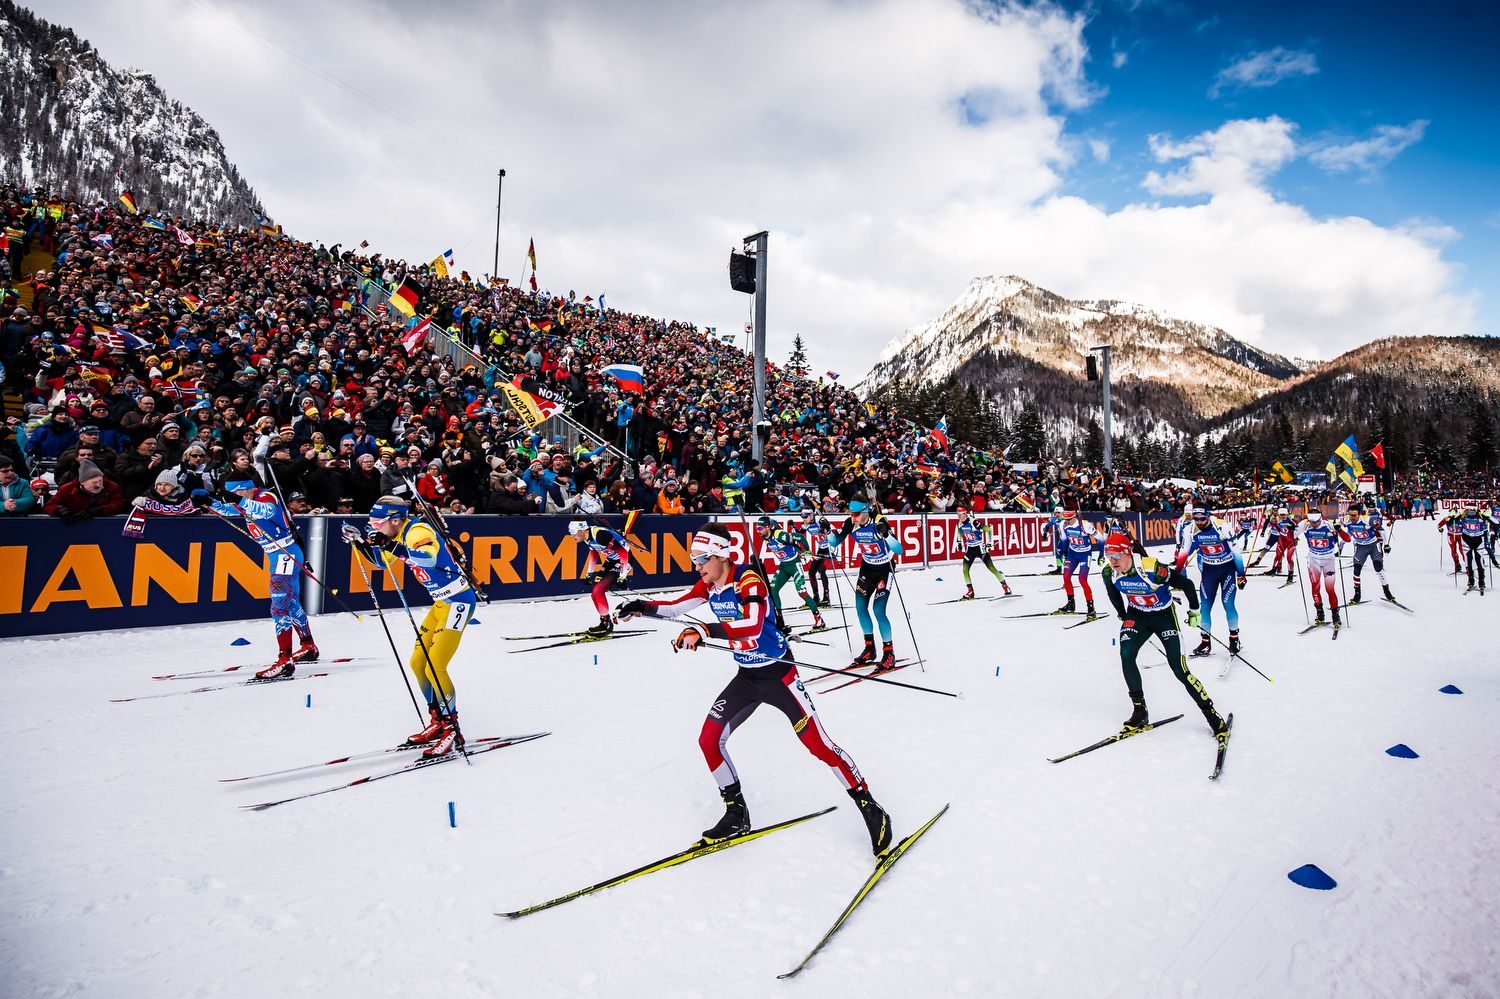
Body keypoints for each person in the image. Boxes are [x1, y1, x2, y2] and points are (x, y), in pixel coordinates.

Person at [614, 524, 893, 856]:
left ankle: (870, 807)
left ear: (721, 555)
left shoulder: (748, 580)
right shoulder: (708, 584)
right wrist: (640, 606)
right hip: (746, 678)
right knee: (708, 740)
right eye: (694, 559)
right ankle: (736, 814)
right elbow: (675, 608)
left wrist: (703, 630)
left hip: (779, 677)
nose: (698, 566)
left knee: (819, 745)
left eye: (702, 558)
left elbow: (752, 625)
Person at [344, 496, 477, 757]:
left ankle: (452, 728)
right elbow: (382, 563)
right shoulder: (398, 534)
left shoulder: (416, 531)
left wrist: (390, 546)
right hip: (441, 604)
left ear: (395, 520)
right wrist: (359, 542)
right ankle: (438, 720)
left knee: (435, 667)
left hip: (458, 602)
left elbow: (426, 559)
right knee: (417, 663)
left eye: (378, 523)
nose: (376, 527)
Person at [1099, 532, 1229, 746]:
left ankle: (1213, 716)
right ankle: (1140, 711)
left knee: (1178, 669)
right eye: (1108, 556)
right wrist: (1123, 615)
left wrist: (1195, 611)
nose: (1112, 562)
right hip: (1137, 615)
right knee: (1126, 654)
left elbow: (1185, 584)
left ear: (1127, 553)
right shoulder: (1109, 572)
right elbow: (1113, 593)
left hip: (1163, 616)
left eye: (1116, 556)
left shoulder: (1151, 568)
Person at [191, 478, 317, 674]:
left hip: (285, 555)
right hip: (278, 556)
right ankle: (308, 646)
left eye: (237, 494)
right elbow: (228, 510)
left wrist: (237, 500)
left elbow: (265, 511)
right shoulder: (245, 501)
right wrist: (209, 502)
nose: (235, 499)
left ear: (245, 490)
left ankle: (285, 660)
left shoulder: (266, 496)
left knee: (279, 606)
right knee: (290, 602)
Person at [828, 499, 903, 669]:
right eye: (851, 514)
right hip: (867, 569)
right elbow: (833, 542)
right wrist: (827, 532)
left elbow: (898, 549)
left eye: (855, 514)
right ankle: (870, 648)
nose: (852, 517)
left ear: (865, 512)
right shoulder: (850, 523)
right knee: (860, 607)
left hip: (885, 569)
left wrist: (886, 535)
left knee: (878, 610)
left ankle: (889, 653)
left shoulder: (879, 521)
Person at [1178, 506, 1246, 656]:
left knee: (1228, 604)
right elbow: (1184, 551)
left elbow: (1236, 550)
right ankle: (1205, 642)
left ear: (1208, 516)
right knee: (1205, 606)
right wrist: (1177, 572)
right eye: (1196, 519)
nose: (1199, 522)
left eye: (1202, 519)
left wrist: (1241, 574)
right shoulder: (1190, 529)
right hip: (1209, 570)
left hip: (1227, 568)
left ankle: (1234, 639)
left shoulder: (1222, 526)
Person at [754, 515, 827, 631]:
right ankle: (780, 621)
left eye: (760, 528)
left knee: (802, 593)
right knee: (772, 591)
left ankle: (819, 619)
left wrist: (807, 551)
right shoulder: (765, 537)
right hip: (783, 566)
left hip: (794, 565)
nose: (758, 531)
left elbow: (800, 537)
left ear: (767, 527)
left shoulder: (780, 536)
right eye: (756, 528)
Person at [567, 518, 634, 635]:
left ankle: (605, 624)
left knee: (598, 590)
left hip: (624, 561)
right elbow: (593, 552)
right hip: (612, 560)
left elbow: (623, 552)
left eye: (573, 532)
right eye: (570, 533)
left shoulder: (601, 536)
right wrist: (588, 574)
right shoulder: (585, 538)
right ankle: (605, 621)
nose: (571, 536)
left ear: (582, 530)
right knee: (594, 592)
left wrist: (622, 577)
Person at [1296, 509, 1350, 627]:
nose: (1313, 525)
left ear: (1320, 519)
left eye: (1316, 522)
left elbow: (1348, 539)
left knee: (1329, 589)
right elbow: (1290, 537)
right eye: (1312, 522)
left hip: (1328, 559)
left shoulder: (1329, 524)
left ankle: (1335, 614)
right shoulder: (1305, 524)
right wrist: (1290, 530)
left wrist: (1339, 530)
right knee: (1315, 587)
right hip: (1313, 559)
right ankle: (1319, 613)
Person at [1055, 507, 1106, 617]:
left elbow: (1101, 539)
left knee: (1082, 579)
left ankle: (1091, 608)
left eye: (1068, 519)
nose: (1066, 521)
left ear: (1074, 517)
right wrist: (1064, 553)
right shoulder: (1063, 524)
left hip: (1084, 555)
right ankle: (1070, 604)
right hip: (1072, 554)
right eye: (1065, 519)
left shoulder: (1085, 525)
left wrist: (1101, 556)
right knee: (1066, 576)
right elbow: (1064, 540)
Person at [44, 459, 126, 523]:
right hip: (73, 526)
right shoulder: (67, 489)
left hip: (103, 526)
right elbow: (49, 506)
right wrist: (60, 510)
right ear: (82, 482)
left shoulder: (111, 486)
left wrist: (99, 510)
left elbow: (118, 505)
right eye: (94, 482)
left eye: (100, 481)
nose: (99, 485)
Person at [954, 508, 1012, 599]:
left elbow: (989, 530)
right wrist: (959, 543)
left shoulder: (974, 522)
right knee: (965, 569)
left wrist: (989, 544)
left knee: (991, 568)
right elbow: (959, 532)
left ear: (965, 513)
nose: (958, 515)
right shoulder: (959, 524)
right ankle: (970, 591)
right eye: (957, 513)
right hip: (970, 549)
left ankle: (1005, 587)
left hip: (980, 549)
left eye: (960, 513)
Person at [1344, 502, 1395, 604]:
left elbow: (1381, 530)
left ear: (1359, 514)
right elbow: (1338, 529)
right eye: (1351, 515)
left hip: (1373, 545)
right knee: (1356, 570)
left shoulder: (1366, 519)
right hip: (1360, 547)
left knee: (1378, 568)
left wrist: (1386, 544)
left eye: (1354, 515)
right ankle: (1357, 595)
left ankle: (1387, 592)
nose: (1352, 518)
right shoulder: (1346, 520)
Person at [1452, 500, 1491, 594]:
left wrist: (1488, 516)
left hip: (1478, 541)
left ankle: (1481, 581)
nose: (1470, 512)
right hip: (1466, 540)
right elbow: (1450, 521)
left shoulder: (1481, 516)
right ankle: (1470, 580)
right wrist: (1453, 515)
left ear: (1476, 510)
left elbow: (1496, 523)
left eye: (1472, 510)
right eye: (1468, 510)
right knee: (1468, 562)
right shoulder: (1463, 515)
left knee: (1479, 562)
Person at [799, 507, 834, 607]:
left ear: (811, 515)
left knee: (822, 570)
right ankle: (816, 597)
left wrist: (827, 528)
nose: (803, 519)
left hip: (830, 548)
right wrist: (793, 528)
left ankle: (826, 597)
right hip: (821, 549)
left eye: (805, 517)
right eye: (802, 517)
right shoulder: (805, 524)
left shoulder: (819, 520)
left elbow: (833, 532)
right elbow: (799, 535)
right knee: (811, 572)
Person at [1264, 506, 1298, 579]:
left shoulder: (1292, 519)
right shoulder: (1277, 520)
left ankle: (1290, 574)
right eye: (1281, 515)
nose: (1282, 516)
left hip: (1291, 541)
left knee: (1289, 557)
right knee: (1278, 555)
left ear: (1287, 514)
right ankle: (1274, 569)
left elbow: (1300, 525)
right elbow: (1273, 523)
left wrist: (1296, 534)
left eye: (1284, 515)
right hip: (1282, 539)